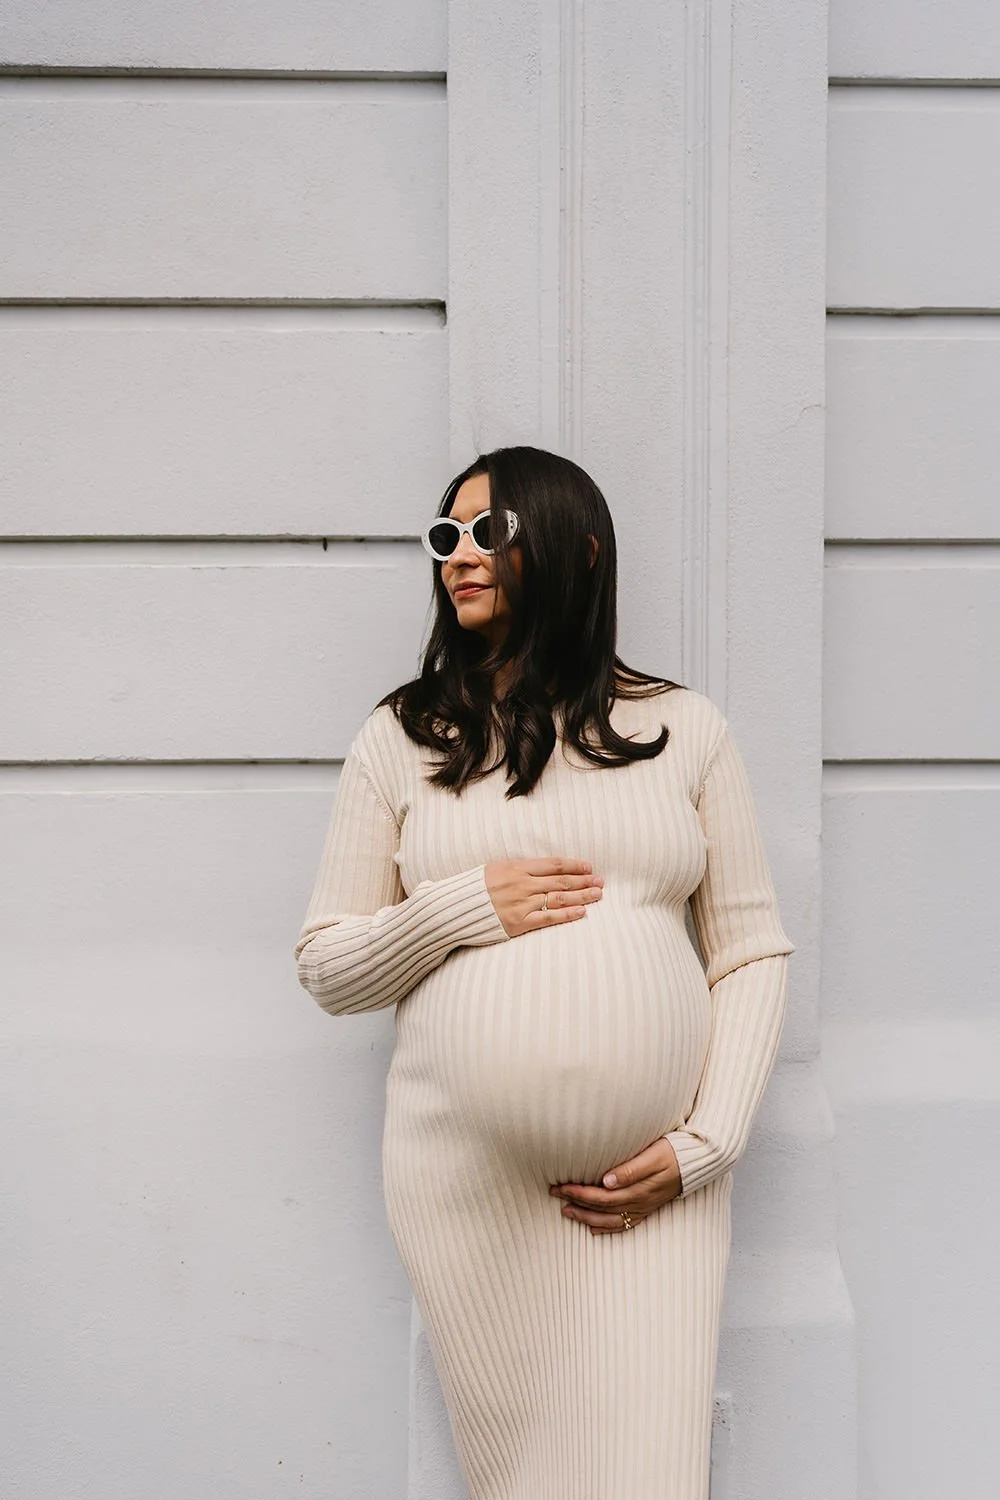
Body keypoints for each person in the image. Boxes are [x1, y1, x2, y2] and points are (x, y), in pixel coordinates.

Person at [294, 444, 795, 1500]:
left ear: (579, 548)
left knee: (649, 1475)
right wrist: (461, 907)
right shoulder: (403, 737)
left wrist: (708, 1144)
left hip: (653, 1192)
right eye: (446, 536)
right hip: (464, 1184)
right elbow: (329, 966)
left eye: (490, 532)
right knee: (523, 1481)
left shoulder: (684, 731)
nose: (459, 556)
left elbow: (749, 949)